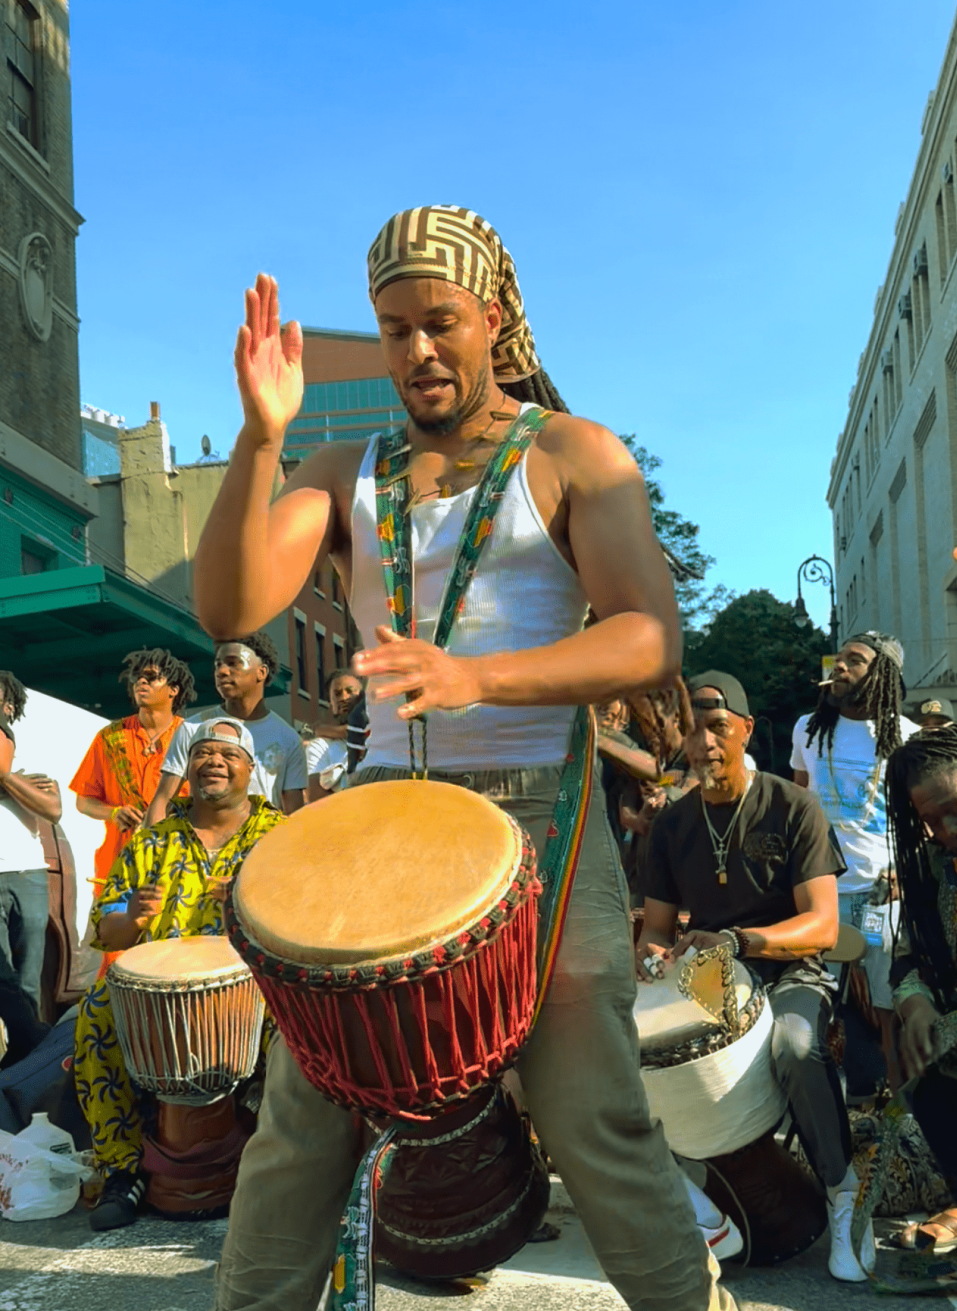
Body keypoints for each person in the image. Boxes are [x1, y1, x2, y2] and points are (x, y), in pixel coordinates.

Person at [193, 207, 736, 1311]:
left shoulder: (573, 452)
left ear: (494, 316)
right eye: (394, 330)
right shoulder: (345, 466)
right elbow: (230, 604)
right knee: (301, 1125)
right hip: (383, 822)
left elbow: (647, 636)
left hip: (544, 817)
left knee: (597, 1121)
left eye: (439, 322)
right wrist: (260, 438)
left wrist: (477, 677)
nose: (417, 351)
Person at [638, 671, 874, 1282]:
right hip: (710, 973)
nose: (705, 742)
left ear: (746, 730)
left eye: (718, 727)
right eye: (692, 731)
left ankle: (843, 1191)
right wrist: (652, 959)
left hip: (790, 966)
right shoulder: (670, 825)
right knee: (636, 1052)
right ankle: (696, 1203)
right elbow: (657, 930)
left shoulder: (793, 806)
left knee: (796, 1046)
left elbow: (823, 926)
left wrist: (742, 940)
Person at [74, 719, 285, 1233]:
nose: (214, 761)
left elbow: (311, 916)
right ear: (186, 768)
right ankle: (123, 1169)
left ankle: (280, 1170)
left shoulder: (281, 837)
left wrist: (251, 903)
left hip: (255, 980)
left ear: (250, 769)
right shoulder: (152, 841)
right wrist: (133, 920)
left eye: (227, 754)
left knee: (300, 1031)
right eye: (203, 753)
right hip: (158, 987)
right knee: (96, 1014)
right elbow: (105, 925)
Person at [885, 723, 957, 1255]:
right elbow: (910, 954)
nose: (948, 829)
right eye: (931, 820)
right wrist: (916, 1008)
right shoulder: (937, 867)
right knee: (919, 1053)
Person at [791, 632, 918, 1089]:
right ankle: (831, 1109)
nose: (839, 667)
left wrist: (907, 873)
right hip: (821, 893)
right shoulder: (807, 728)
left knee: (889, 1012)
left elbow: (921, 819)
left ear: (881, 674)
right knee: (819, 1011)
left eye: (855, 661)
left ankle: (899, 1109)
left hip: (883, 897)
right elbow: (798, 806)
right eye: (839, 658)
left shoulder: (906, 737)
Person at [70, 648, 196, 903]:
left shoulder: (192, 738)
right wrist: (114, 813)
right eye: (137, 676)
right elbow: (84, 802)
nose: (141, 681)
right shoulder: (110, 736)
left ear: (173, 690)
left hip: (177, 871)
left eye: (151, 677)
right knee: (109, 942)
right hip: (118, 871)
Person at [145, 632, 307, 823]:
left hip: (259, 848)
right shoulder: (192, 728)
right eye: (218, 665)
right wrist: (149, 847)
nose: (221, 671)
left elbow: (294, 815)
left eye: (233, 663)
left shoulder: (287, 739)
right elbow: (163, 799)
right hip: (201, 847)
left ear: (261, 672)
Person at [0, 672, 62, 1010]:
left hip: (29, 876)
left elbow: (53, 810)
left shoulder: (34, 757)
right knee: (2, 979)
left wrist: (6, 777)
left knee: (27, 979)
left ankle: (26, 1059)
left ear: (9, 707)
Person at [304, 671, 364, 802]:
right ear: (331, 702)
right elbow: (312, 794)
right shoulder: (319, 747)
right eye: (337, 694)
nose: (343, 697)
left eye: (350, 691)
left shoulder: (378, 737)